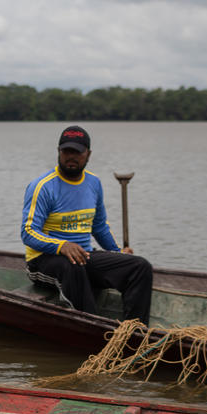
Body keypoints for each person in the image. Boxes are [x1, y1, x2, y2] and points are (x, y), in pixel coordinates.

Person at [21, 125, 153, 324]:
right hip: (44, 261)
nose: (71, 157)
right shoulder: (42, 186)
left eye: (77, 152)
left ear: (88, 154)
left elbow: (99, 226)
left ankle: (134, 332)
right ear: (58, 152)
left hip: (83, 256)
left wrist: (117, 252)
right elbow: (28, 232)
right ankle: (92, 328)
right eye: (66, 151)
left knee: (139, 267)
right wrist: (62, 246)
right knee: (73, 266)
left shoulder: (93, 183)